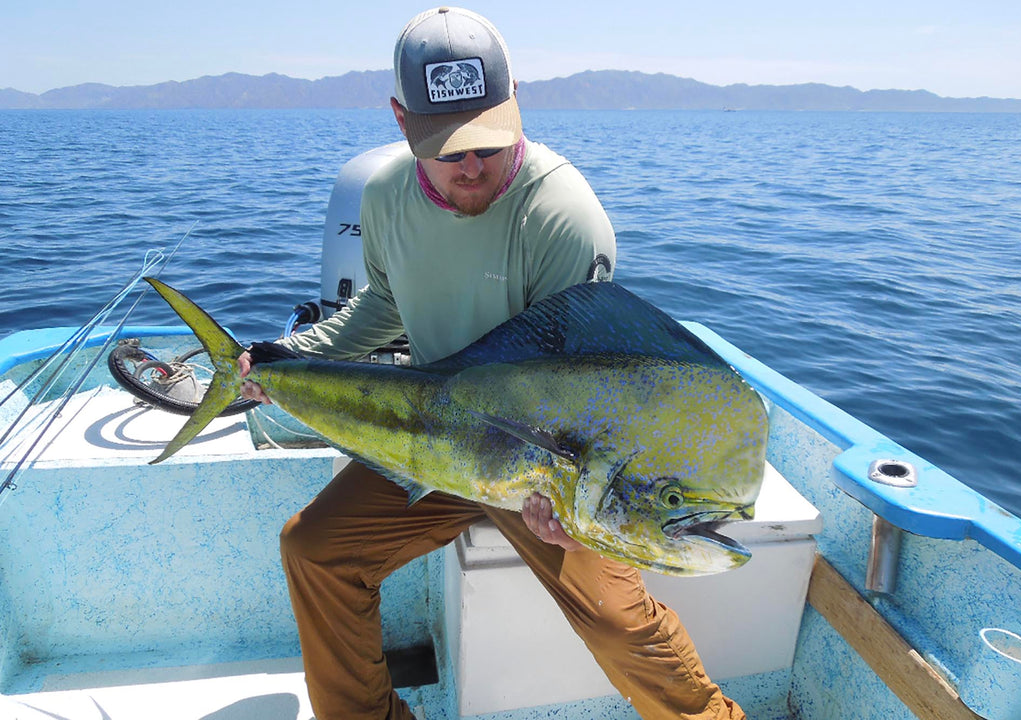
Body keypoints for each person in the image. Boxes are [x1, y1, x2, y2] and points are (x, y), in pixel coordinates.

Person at [239, 7, 745, 720]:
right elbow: (383, 305)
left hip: (550, 460)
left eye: (487, 141)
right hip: (437, 435)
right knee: (314, 549)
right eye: (449, 150)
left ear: (516, 104)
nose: (472, 166)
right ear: (402, 121)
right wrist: (291, 358)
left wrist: (566, 506)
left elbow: (589, 388)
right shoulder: (384, 196)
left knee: (616, 622)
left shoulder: (561, 214)